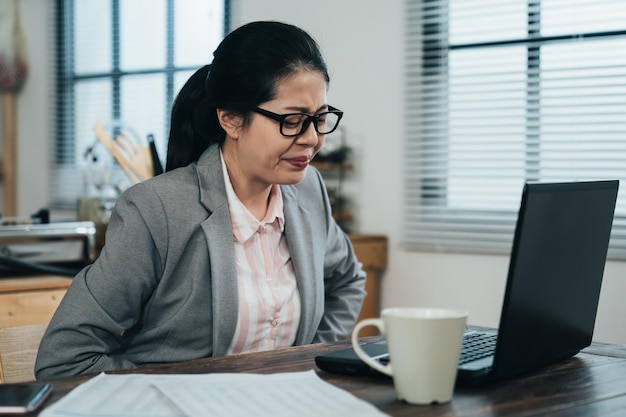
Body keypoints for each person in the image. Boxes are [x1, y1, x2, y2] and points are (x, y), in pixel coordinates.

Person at [35, 21, 366, 378]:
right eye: (293, 120)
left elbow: (347, 280)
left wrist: (307, 362)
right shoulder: (155, 210)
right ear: (231, 119)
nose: (313, 139)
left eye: (319, 118)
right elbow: (65, 358)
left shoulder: (307, 190)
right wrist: (178, 394)